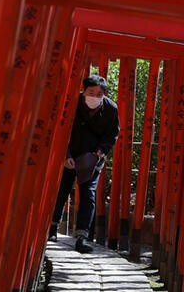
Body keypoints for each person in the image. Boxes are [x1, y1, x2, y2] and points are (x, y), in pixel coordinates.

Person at [48, 74, 120, 253]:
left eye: (99, 94)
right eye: (91, 92)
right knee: (62, 190)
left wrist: (101, 152)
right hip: (70, 153)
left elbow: (112, 135)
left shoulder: (111, 108)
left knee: (88, 194)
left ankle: (82, 237)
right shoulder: (71, 103)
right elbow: (60, 128)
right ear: (83, 91)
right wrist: (66, 154)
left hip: (92, 157)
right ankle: (52, 228)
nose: (95, 97)